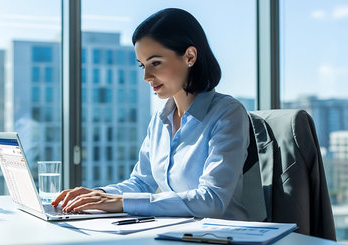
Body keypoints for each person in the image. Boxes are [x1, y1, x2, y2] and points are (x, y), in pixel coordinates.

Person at [52, 8, 250, 220]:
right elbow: (141, 182)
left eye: (155, 63)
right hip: (176, 234)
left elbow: (212, 200)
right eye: (142, 65)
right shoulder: (160, 119)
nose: (146, 76)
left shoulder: (227, 113)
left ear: (190, 56)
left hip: (223, 236)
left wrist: (122, 203)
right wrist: (99, 194)